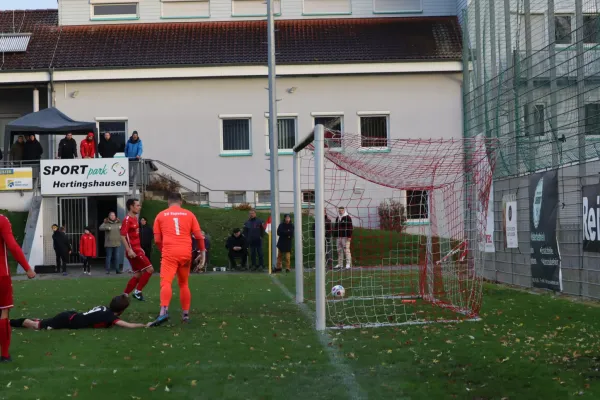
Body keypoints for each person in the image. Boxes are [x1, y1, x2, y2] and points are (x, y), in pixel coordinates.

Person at [151, 192, 205, 326]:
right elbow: (199, 236)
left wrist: (163, 249)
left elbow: (157, 239)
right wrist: (202, 252)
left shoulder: (161, 215)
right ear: (181, 202)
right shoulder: (189, 214)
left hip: (169, 252)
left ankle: (163, 312)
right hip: (185, 253)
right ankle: (185, 315)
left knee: (166, 283)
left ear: (168, 202)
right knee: (184, 284)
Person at [0, 214, 36, 362]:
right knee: (4, 312)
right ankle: (5, 354)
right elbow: (12, 246)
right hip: (1, 274)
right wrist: (27, 268)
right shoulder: (2, 220)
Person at [10, 295, 151, 331]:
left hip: (71, 316)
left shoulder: (104, 309)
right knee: (37, 326)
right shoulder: (109, 316)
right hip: (68, 320)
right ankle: (9, 323)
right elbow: (129, 325)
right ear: (121, 310)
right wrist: (145, 325)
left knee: (44, 322)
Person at [120, 199, 154, 301]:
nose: (139, 207)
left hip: (137, 249)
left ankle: (124, 295)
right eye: (137, 205)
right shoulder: (127, 219)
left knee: (138, 274)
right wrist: (129, 250)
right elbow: (122, 236)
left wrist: (140, 248)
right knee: (150, 269)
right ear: (131, 206)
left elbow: (133, 236)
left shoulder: (135, 218)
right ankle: (138, 291)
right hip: (133, 250)